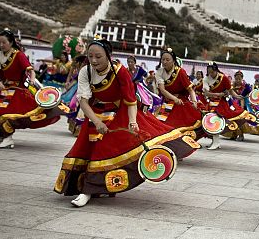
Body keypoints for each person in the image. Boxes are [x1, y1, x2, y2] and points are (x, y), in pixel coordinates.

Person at [54, 37, 199, 207]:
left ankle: (88, 190)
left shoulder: (120, 72)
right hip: (96, 114)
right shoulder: (86, 72)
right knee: (89, 150)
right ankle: (96, 187)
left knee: (107, 149)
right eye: (90, 56)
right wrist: (97, 122)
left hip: (120, 114)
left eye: (98, 57)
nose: (93, 60)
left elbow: (130, 101)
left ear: (108, 55)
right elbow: (84, 102)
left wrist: (132, 122)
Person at [0, 29, 61, 148]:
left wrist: (32, 80)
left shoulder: (19, 55)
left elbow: (30, 71)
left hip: (18, 89)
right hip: (6, 89)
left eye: (4, 42)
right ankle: (2, 136)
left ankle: (8, 139)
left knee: (9, 112)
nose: (1, 45)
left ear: (11, 42)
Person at [199, 62, 256, 149]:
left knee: (216, 119)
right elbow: (206, 93)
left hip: (221, 103)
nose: (211, 74)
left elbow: (230, 90)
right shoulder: (206, 79)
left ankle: (216, 142)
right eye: (209, 72)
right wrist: (219, 94)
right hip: (211, 102)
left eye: (212, 72)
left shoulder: (223, 78)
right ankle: (215, 141)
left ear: (216, 70)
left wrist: (238, 96)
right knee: (209, 120)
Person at [154, 49, 204, 140]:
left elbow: (190, 89)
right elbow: (162, 90)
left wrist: (194, 101)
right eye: (163, 59)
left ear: (173, 60)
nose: (164, 62)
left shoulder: (180, 72)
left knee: (185, 124)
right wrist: (174, 99)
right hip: (168, 102)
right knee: (162, 124)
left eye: (167, 60)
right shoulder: (159, 72)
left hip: (181, 103)